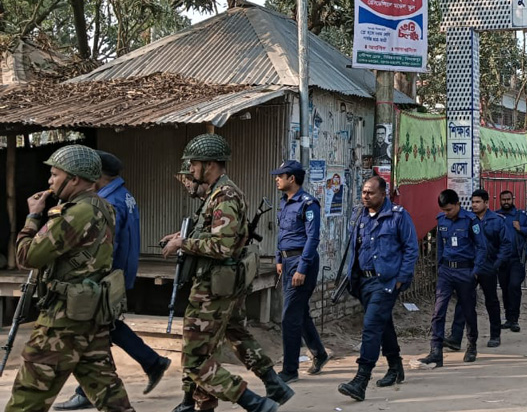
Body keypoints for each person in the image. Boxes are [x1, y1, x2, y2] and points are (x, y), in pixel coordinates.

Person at [5, 145, 136, 412]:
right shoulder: (103, 207)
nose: (50, 181)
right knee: (108, 394)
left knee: (28, 395)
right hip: (91, 317)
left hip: (63, 320)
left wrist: (32, 218)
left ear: (74, 178)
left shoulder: (76, 213)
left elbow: (27, 256)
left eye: (55, 174)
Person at [160, 134, 280, 412]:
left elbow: (223, 246)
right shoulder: (217, 193)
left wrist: (183, 243)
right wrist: (183, 235)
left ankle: (255, 403)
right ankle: (200, 404)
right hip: (212, 284)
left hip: (213, 288)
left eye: (194, 164)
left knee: (195, 360)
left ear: (210, 164)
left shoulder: (225, 196)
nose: (190, 170)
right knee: (212, 346)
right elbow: (214, 233)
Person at [54, 151, 172, 411]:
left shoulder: (109, 202)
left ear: (97, 176)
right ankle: (149, 363)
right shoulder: (124, 195)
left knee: (97, 329)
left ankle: (148, 364)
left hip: (106, 277)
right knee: (105, 328)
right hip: (120, 273)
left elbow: (106, 243)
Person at [337, 177, 419, 401]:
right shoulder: (359, 217)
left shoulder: (398, 216)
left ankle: (361, 380)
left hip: (385, 282)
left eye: (370, 193)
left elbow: (411, 248)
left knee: (371, 326)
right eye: (363, 192)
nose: (365, 196)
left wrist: (401, 279)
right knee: (382, 324)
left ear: (384, 194)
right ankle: (395, 367)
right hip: (363, 282)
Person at [272, 160, 330, 383]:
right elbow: (283, 234)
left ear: (292, 179)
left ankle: (289, 370)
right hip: (287, 263)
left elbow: (313, 238)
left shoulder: (308, 204)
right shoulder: (284, 202)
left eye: (280, 175)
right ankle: (319, 353)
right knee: (300, 313)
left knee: (289, 318)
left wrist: (302, 268)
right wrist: (279, 259)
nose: (277, 179)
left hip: (301, 263)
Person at [419, 190, 487, 368]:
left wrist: (476, 271)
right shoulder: (441, 221)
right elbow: (440, 246)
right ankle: (435, 351)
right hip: (446, 272)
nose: (447, 213)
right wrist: (440, 266)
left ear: (457, 204)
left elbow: (481, 247)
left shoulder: (471, 221)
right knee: (438, 311)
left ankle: (471, 345)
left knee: (468, 311)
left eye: (449, 209)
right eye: (444, 210)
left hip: (466, 271)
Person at [446, 189, 515, 349]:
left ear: (486, 202)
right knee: (464, 301)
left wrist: (496, 264)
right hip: (469, 267)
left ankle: (495, 335)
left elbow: (506, 244)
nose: (474, 205)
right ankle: (455, 338)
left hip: (488, 267)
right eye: (473, 202)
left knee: (491, 301)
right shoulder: (468, 220)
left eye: (477, 202)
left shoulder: (497, 221)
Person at [497, 190, 527, 333]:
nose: (506, 202)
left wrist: (521, 228)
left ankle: (514, 319)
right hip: (502, 260)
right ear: (500, 200)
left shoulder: (521, 215)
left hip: (517, 259)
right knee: (505, 288)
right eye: (503, 199)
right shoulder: (497, 216)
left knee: (514, 286)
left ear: (512, 199)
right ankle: (508, 318)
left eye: (508, 199)